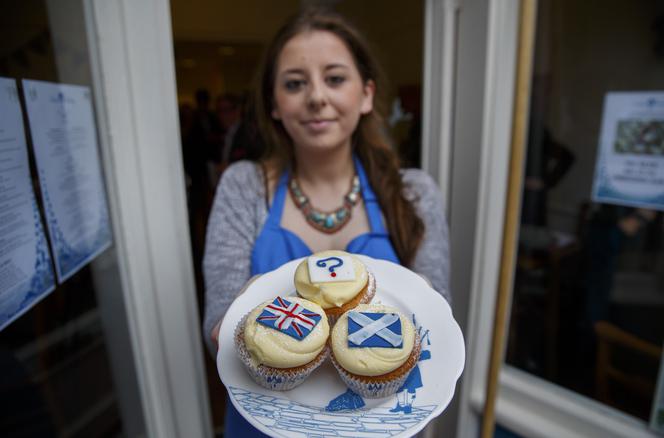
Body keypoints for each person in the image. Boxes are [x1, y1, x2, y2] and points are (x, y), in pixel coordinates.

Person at [203, 8, 450, 437]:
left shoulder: (415, 192)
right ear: (274, 104)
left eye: (335, 78)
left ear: (367, 95)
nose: (316, 96)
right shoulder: (243, 187)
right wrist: (229, 329)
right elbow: (220, 329)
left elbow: (431, 336)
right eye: (295, 84)